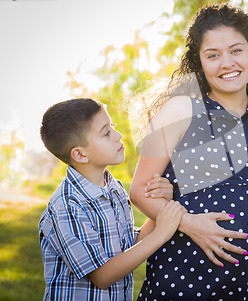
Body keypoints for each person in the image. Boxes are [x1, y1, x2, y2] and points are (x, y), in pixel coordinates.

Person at [129, 3, 248, 300]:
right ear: (199, 62)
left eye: (236, 50)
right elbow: (139, 190)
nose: (227, 63)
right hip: (185, 274)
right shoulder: (180, 109)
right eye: (213, 55)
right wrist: (188, 223)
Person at [38, 98, 186, 300]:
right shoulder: (67, 206)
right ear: (80, 154)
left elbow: (128, 248)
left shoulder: (114, 188)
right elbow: (103, 276)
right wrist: (160, 234)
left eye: (113, 127)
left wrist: (162, 208)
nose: (118, 136)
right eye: (106, 132)